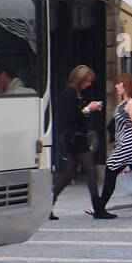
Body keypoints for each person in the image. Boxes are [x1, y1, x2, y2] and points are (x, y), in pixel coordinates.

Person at [88, 72, 132, 219]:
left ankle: (99, 208)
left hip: (128, 145)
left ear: (125, 85)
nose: (115, 86)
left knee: (110, 170)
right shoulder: (124, 103)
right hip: (127, 144)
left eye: (118, 83)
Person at [50, 65, 103, 220]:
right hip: (74, 138)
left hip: (76, 137)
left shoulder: (75, 93)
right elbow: (69, 117)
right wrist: (88, 109)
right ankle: (98, 209)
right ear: (80, 80)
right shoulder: (69, 93)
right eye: (87, 81)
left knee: (69, 173)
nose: (89, 84)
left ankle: (47, 206)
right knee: (91, 170)